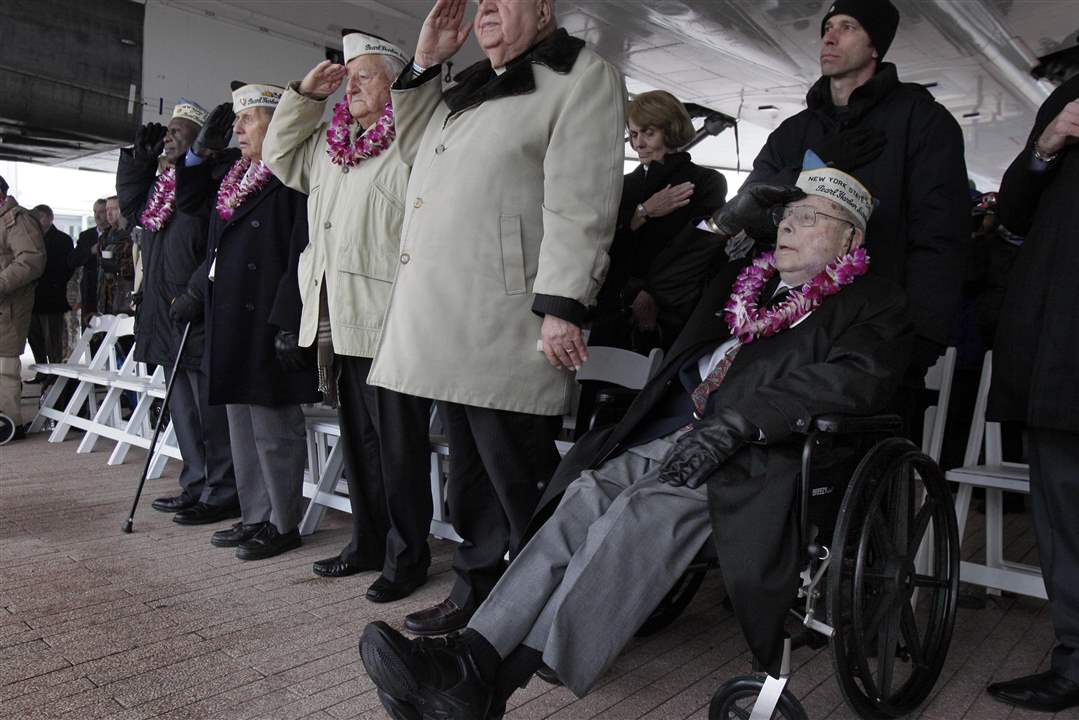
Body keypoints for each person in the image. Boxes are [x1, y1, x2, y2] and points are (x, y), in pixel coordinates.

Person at [359, 158, 912, 719]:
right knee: (585, 495)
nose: (788, 224)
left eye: (809, 216)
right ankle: (474, 654)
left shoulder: (875, 302)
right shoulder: (752, 280)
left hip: (755, 454)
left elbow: (851, 381)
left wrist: (739, 422)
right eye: (786, 214)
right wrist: (723, 222)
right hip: (674, 429)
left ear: (851, 239)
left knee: (641, 511)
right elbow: (666, 284)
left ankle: (487, 681)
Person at [365, 0, 626, 636]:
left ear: (542, 10)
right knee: (471, 479)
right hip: (448, 315)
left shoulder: (579, 76)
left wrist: (563, 306)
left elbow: (582, 201)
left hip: (507, 318)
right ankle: (479, 595)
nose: (484, 7)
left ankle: (551, 611)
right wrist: (425, 64)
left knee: (517, 478)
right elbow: (415, 151)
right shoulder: (473, 83)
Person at [262, 31, 435, 599]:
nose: (352, 86)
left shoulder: (411, 141)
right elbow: (277, 155)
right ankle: (367, 541)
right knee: (360, 442)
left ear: (395, 84)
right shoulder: (330, 146)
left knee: (399, 445)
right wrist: (307, 97)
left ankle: (407, 558)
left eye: (366, 76)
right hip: (338, 316)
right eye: (348, 77)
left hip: (389, 319)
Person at [745, 0, 968, 410]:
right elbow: (752, 207)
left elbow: (940, 236)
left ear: (875, 47)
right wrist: (817, 162)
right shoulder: (794, 132)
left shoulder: (923, 122)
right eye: (827, 26)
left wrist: (920, 335)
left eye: (847, 27)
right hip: (784, 330)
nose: (829, 37)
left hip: (874, 338)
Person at [173, 84, 319, 560]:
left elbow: (301, 252)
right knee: (240, 424)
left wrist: (290, 319)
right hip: (231, 314)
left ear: (277, 125)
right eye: (236, 120)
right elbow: (190, 202)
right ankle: (255, 515)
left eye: (248, 119)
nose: (237, 128)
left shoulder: (291, 175)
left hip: (269, 317)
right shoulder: (235, 176)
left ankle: (282, 522)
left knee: (273, 430)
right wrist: (199, 153)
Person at [985, 74, 1079, 713]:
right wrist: (1045, 146)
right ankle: (1076, 661)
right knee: (1063, 513)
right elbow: (1013, 217)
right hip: (1062, 345)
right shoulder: (1071, 96)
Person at [116, 99, 240, 526]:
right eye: (167, 130)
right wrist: (138, 162)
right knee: (183, 411)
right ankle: (196, 484)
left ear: (200, 139)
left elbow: (221, 245)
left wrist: (195, 292)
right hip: (166, 317)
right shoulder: (161, 187)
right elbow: (131, 207)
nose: (167, 136)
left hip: (198, 314)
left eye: (178, 130)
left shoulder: (214, 181)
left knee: (210, 412)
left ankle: (223, 490)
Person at [593, 89, 727, 352]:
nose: (638, 144)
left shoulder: (706, 182)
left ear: (671, 131)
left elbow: (697, 250)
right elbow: (604, 244)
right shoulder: (620, 186)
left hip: (675, 311)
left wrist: (653, 293)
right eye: (634, 134)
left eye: (648, 133)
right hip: (614, 309)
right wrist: (643, 211)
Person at [0, 175, 46, 440]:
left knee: (4, 366)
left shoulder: (17, 220)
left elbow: (31, 260)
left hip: (8, 307)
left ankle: (10, 424)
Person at [27, 205, 77, 371]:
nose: (36, 221)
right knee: (34, 337)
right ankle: (41, 371)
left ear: (50, 218)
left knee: (53, 339)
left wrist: (56, 283)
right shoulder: (31, 237)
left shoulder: (62, 239)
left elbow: (68, 267)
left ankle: (54, 373)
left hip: (52, 296)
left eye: (40, 217)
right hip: (33, 297)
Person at [97, 196, 136, 315]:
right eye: (107, 209)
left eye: (114, 209)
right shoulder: (105, 236)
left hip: (125, 296)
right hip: (106, 297)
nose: (109, 213)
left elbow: (137, 266)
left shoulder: (132, 234)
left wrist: (117, 267)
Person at [75, 198, 107, 328]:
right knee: (89, 327)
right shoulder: (86, 236)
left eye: (101, 212)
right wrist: (90, 251)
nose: (97, 216)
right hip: (90, 288)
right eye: (95, 212)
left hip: (109, 289)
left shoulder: (118, 235)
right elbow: (73, 260)